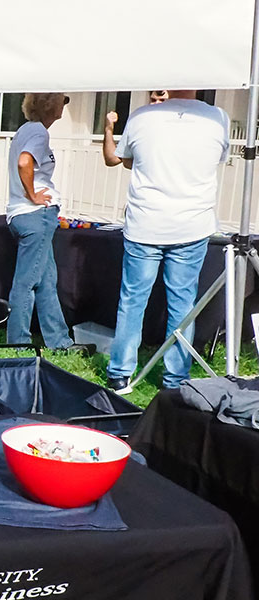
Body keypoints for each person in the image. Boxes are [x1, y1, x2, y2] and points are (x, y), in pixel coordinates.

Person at [106, 90, 230, 390]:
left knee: (133, 301)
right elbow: (218, 160)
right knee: (183, 304)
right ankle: (175, 377)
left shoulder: (142, 117)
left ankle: (120, 372)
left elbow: (122, 159)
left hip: (146, 223)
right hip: (191, 224)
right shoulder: (218, 118)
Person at [4, 93, 87, 352]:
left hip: (22, 215)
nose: (65, 104)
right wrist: (33, 195)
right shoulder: (39, 133)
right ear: (49, 104)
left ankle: (60, 342)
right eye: (63, 99)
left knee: (47, 281)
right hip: (34, 215)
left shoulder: (26, 130)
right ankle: (18, 345)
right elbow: (24, 162)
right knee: (26, 282)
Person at [102, 90, 168, 167]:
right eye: (153, 100)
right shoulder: (139, 123)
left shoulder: (181, 127)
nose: (156, 104)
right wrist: (109, 129)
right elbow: (112, 159)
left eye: (162, 100)